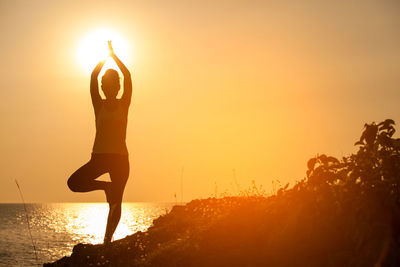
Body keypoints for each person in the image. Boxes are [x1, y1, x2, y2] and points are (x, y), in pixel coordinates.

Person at [67, 41, 132, 244]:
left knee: (116, 203)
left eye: (112, 84)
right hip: (99, 157)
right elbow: (94, 77)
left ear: (118, 86)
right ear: (103, 87)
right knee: (74, 183)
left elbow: (128, 76)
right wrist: (104, 58)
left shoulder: (124, 103)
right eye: (105, 84)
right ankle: (105, 187)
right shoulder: (98, 104)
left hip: (121, 159)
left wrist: (114, 56)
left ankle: (107, 241)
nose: (107, 87)